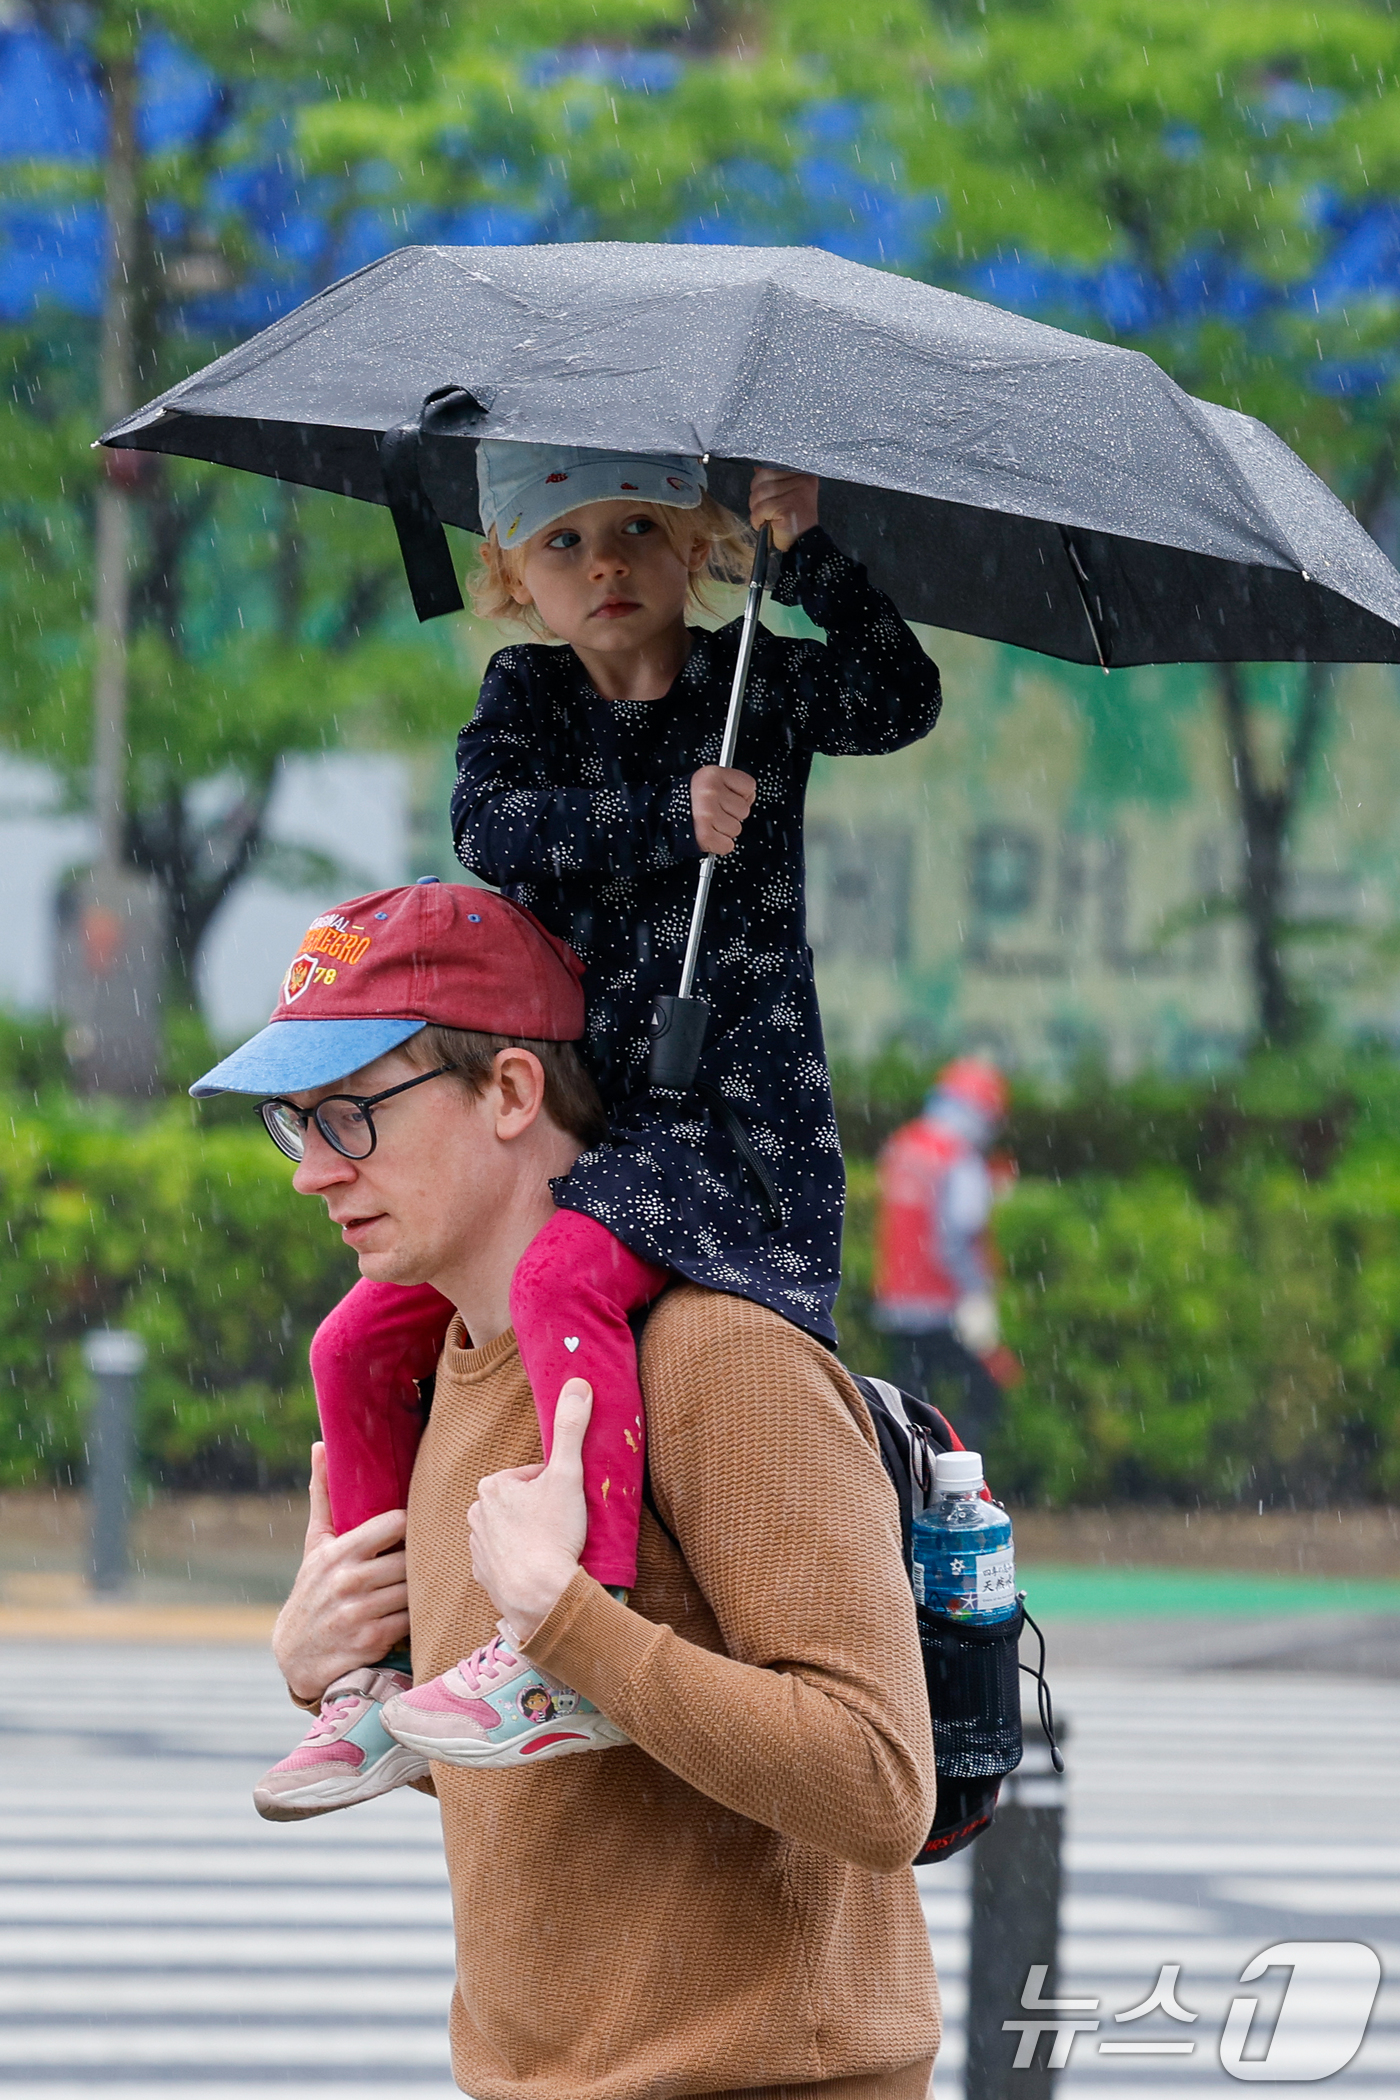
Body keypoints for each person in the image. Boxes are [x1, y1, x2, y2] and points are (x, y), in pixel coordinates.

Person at [230, 441, 942, 1814]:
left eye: (637, 528)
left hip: (723, 1124)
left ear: (703, 546)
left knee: (561, 1276)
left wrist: (819, 561)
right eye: (561, 543)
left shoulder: (759, 688)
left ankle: (568, 1622)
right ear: (509, 577)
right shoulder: (528, 697)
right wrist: (663, 819)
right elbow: (492, 828)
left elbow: (898, 698)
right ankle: (375, 1668)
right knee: (351, 1342)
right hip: (589, 1118)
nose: (605, 564)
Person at [201, 893, 942, 2100]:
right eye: (295, 1123)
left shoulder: (717, 1360)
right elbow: (564, 1765)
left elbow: (878, 1784)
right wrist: (345, 1673)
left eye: (351, 1114)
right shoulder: (440, 1375)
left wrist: (571, 1625)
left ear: (508, 1093)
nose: (315, 1172)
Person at [870, 1057, 1011, 1453]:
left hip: (897, 1302)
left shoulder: (905, 1144)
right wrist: (976, 1295)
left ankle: (914, 1487)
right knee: (982, 1393)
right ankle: (964, 1488)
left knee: (907, 1407)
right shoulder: (958, 1158)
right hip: (943, 1306)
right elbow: (958, 1235)